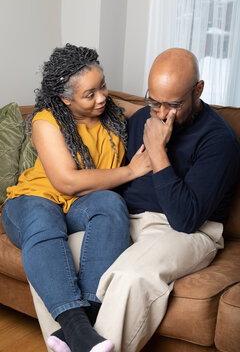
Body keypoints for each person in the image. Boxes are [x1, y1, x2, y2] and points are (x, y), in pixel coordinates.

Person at [20, 47, 240, 352]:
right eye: (154, 101)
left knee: (129, 276)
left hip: (187, 231)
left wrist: (158, 152)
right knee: (50, 263)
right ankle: (77, 343)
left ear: (198, 90)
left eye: (173, 104)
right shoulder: (139, 121)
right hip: (130, 219)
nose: (162, 113)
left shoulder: (220, 140)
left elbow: (185, 219)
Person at [1, 44, 152, 352]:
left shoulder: (111, 111)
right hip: (32, 201)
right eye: (90, 94)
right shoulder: (46, 120)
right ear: (65, 99)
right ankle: (77, 328)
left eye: (103, 86)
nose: (102, 97)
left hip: (77, 208)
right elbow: (67, 181)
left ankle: (81, 327)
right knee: (44, 219)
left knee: (111, 203)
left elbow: (153, 113)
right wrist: (132, 171)